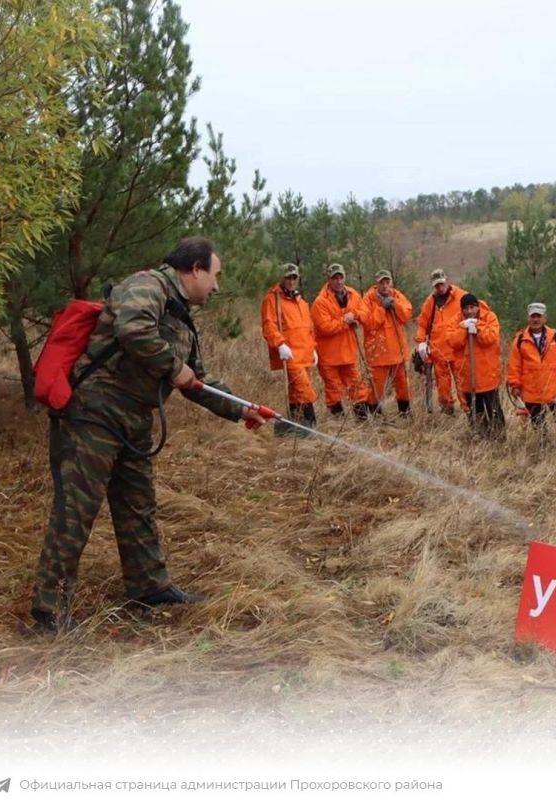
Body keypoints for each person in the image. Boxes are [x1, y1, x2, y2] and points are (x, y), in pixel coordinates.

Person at [31, 237, 270, 633]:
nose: (217, 286)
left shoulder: (181, 317)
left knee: (138, 505)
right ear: (194, 269)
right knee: (76, 512)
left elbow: (197, 380)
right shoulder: (148, 286)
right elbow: (134, 329)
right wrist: (173, 367)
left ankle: (149, 587)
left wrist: (241, 408)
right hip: (94, 415)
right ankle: (49, 608)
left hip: (133, 421)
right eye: (215, 275)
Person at [260, 263, 318, 435]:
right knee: (303, 388)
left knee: (296, 392)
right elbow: (268, 325)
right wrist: (280, 344)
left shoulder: (301, 301)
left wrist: (313, 348)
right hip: (290, 353)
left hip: (305, 353)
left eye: (294, 277)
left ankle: (294, 428)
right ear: (282, 278)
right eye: (288, 277)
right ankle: (311, 424)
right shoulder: (273, 299)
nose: (291, 281)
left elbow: (309, 328)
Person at [310, 263, 371, 419]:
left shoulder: (353, 294)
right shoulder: (320, 301)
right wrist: (345, 321)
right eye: (334, 278)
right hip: (328, 354)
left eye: (340, 277)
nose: (338, 281)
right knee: (333, 388)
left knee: (357, 385)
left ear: (344, 277)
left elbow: (365, 313)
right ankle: (338, 421)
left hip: (349, 351)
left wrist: (355, 315)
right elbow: (325, 327)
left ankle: (362, 419)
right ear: (329, 280)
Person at [507, 302, 556, 444]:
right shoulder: (520, 340)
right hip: (531, 391)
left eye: (539, 316)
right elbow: (514, 365)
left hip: (553, 390)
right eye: (533, 316)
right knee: (538, 424)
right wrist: (515, 385)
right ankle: (544, 449)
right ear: (528, 318)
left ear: (545, 318)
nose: (535, 320)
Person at [448, 293, 505, 438]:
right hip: (467, 375)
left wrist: (477, 327)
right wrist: (463, 329)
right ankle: (481, 436)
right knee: (475, 410)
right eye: (466, 308)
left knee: (493, 409)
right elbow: (452, 341)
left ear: (477, 307)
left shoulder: (490, 317)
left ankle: (499, 438)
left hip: (487, 374)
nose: (469, 311)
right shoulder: (456, 320)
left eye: (472, 307)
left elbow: (491, 338)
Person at [360, 270, 414, 415]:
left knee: (403, 385)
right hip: (378, 354)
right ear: (376, 284)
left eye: (387, 282)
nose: (385, 286)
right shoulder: (367, 299)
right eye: (381, 283)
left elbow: (406, 315)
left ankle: (405, 413)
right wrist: (382, 308)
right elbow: (368, 323)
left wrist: (395, 304)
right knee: (376, 386)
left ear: (390, 282)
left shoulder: (396, 295)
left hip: (398, 351)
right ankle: (374, 414)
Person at [415, 269, 467, 413]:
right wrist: (421, 343)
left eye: (441, 284)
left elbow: (474, 312)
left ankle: (468, 412)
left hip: (458, 349)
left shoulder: (461, 296)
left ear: (446, 280)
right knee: (443, 386)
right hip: (438, 351)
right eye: (436, 285)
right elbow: (422, 324)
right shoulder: (430, 302)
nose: (440, 287)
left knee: (463, 384)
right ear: (433, 286)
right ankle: (447, 412)